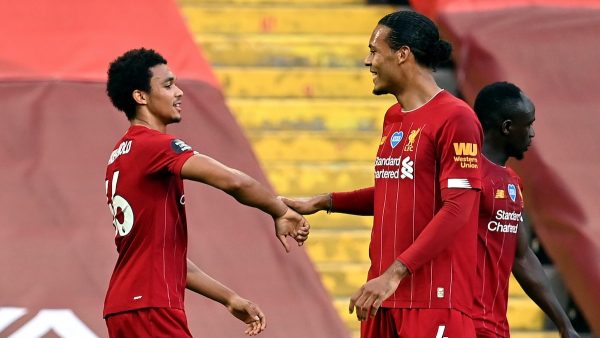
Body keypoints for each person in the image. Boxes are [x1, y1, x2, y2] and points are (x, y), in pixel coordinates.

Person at [282, 10, 482, 338]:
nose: (367, 61)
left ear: (402, 55)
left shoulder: (456, 118)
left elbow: (459, 207)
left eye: (375, 51)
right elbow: (398, 191)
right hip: (382, 297)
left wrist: (395, 273)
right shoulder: (393, 118)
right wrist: (324, 201)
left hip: (431, 298)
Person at [103, 48, 309, 337]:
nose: (179, 92)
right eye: (167, 84)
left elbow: (165, 257)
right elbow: (233, 181)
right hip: (151, 307)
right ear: (141, 96)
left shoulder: (120, 155)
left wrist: (229, 298)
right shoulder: (154, 146)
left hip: (127, 306)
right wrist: (280, 210)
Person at [472, 82, 579, 338]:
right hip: (461, 323)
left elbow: (520, 256)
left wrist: (564, 325)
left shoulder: (511, 182)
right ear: (508, 128)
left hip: (494, 326)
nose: (532, 133)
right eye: (528, 124)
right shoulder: (464, 173)